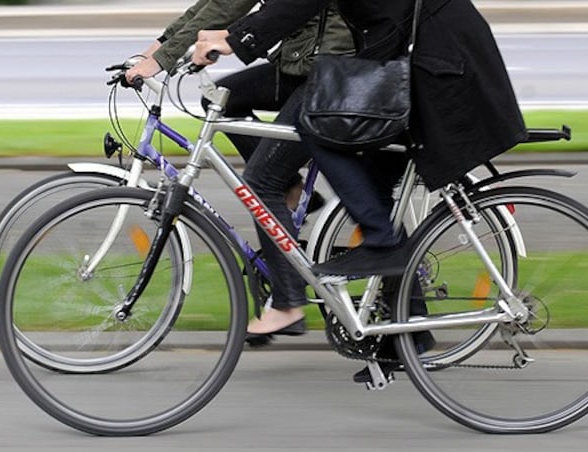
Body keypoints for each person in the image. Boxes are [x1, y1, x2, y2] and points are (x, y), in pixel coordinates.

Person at [193, 0, 527, 382]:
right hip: (408, 49)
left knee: (319, 123)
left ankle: (375, 245)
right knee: (369, 169)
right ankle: (409, 332)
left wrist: (237, 39)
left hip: (432, 56)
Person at [124, 1, 355, 344]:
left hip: (331, 70)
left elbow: (231, 6)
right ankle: (290, 187)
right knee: (223, 99)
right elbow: (213, 4)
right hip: (304, 62)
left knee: (261, 183)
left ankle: (288, 302)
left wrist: (164, 59)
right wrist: (156, 50)